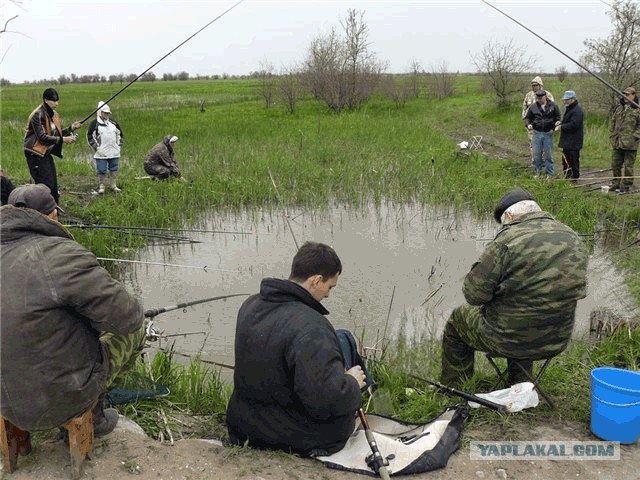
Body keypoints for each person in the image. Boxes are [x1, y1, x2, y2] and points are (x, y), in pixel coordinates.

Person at [0, 184, 146, 437]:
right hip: (60, 399)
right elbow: (128, 316)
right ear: (53, 215)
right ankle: (94, 412)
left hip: (4, 398)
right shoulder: (61, 254)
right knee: (136, 331)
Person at [226, 241, 368, 456]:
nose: (328, 294)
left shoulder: (251, 304)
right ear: (316, 280)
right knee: (352, 367)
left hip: (242, 427)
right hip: (295, 436)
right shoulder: (312, 326)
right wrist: (351, 383)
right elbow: (325, 402)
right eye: (330, 287)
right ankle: (364, 393)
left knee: (342, 338)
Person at [440, 187, 588, 387]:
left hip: (509, 340)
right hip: (556, 340)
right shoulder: (573, 237)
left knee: (458, 320)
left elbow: (474, 296)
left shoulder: (505, 242)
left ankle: (453, 389)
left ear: (509, 215)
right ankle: (520, 384)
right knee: (523, 308)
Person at [23, 88, 82, 204]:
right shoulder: (37, 115)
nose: (56, 103)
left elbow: (56, 134)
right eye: (53, 101)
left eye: (57, 101)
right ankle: (43, 212)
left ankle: (54, 211)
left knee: (54, 185)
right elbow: (42, 137)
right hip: (34, 153)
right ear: (45, 100)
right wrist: (63, 139)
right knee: (45, 185)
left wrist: (71, 128)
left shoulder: (54, 115)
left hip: (45, 153)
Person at [87, 101, 124, 194]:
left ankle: (113, 185)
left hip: (114, 152)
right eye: (105, 113)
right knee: (101, 170)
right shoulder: (94, 124)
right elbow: (90, 136)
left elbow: (120, 134)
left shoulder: (113, 123)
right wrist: (97, 148)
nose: (106, 114)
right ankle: (102, 186)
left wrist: (118, 146)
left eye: (108, 113)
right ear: (100, 112)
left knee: (114, 168)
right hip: (101, 153)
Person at [609, 86, 640, 193]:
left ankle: (627, 185)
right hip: (617, 142)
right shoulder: (619, 107)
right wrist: (612, 134)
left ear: (633, 95)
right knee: (615, 164)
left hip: (630, 143)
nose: (625, 97)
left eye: (627, 94)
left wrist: (635, 136)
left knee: (628, 166)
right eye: (624, 94)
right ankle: (615, 184)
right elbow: (613, 121)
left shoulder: (637, 109)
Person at [524, 89, 561, 178]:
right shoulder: (533, 107)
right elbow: (527, 118)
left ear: (545, 97)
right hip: (536, 133)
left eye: (541, 98)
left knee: (549, 155)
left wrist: (556, 124)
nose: (539, 100)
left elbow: (558, 117)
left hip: (548, 133)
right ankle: (538, 172)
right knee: (536, 154)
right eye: (538, 98)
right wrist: (528, 124)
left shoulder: (553, 106)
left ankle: (550, 174)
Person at [522, 76, 555, 163]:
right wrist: (526, 120)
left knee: (544, 142)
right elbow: (524, 108)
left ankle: (544, 160)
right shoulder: (528, 95)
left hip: (544, 124)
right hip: (532, 124)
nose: (534, 87)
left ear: (540, 85)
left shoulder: (547, 95)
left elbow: (553, 108)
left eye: (535, 85)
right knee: (533, 143)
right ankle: (535, 160)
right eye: (532, 85)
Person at [555, 90, 584, 180]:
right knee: (566, 161)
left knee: (573, 161)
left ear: (573, 99)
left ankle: (574, 178)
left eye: (567, 100)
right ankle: (567, 176)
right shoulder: (570, 109)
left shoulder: (577, 110)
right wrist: (561, 122)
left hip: (574, 142)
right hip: (567, 142)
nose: (565, 101)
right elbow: (568, 121)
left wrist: (561, 127)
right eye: (565, 99)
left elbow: (574, 125)